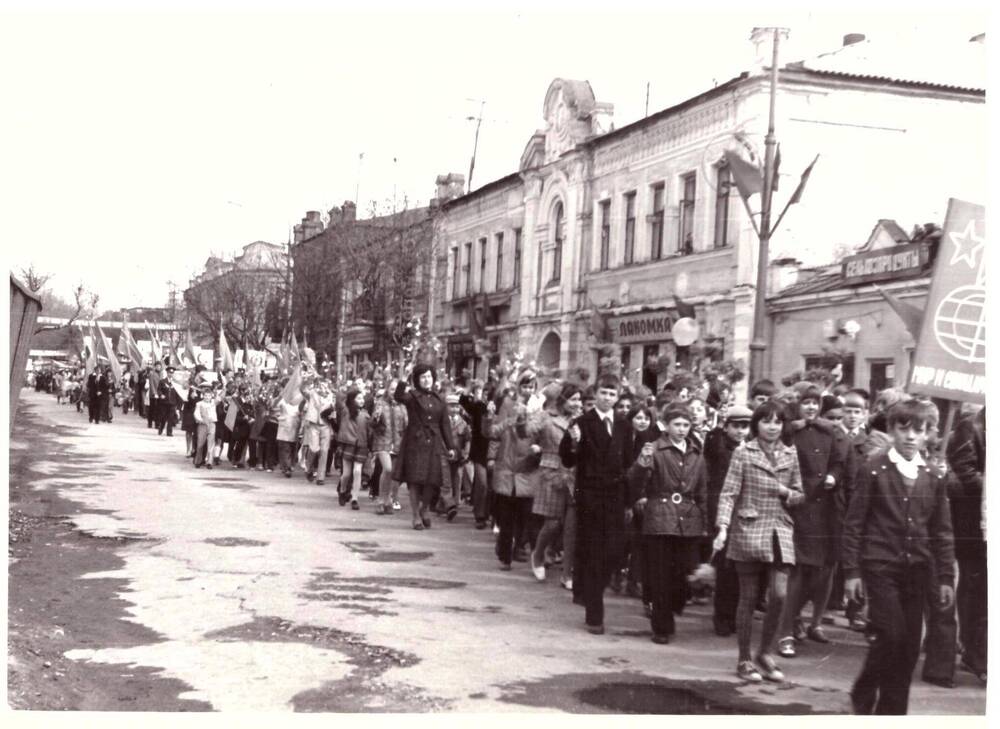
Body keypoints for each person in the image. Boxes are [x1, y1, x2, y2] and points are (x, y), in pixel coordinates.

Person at [842, 400, 956, 715]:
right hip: (880, 566)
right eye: (903, 429)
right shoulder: (874, 468)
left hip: (918, 568)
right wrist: (851, 572)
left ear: (928, 435)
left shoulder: (933, 474)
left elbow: (942, 530)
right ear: (891, 430)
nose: (910, 437)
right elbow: (854, 524)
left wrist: (946, 576)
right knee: (891, 633)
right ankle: (865, 687)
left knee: (908, 647)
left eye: (918, 431)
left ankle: (892, 713)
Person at [714, 401, 804, 683]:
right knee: (749, 598)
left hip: (779, 530)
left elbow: (800, 495)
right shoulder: (743, 452)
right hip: (748, 529)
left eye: (777, 422)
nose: (772, 427)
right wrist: (723, 527)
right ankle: (744, 658)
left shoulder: (790, 453)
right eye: (766, 421)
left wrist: (785, 491)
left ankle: (765, 652)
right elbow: (729, 493)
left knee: (779, 594)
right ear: (757, 424)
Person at [776, 385, 850, 658]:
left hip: (823, 510)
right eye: (806, 403)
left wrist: (833, 476)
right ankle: (784, 633)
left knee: (817, 574)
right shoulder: (789, 431)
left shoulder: (828, 432)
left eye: (814, 403)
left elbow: (839, 462)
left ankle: (794, 621)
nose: (810, 408)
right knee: (796, 573)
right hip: (798, 505)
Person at [560, 373, 634, 635]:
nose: (607, 398)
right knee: (593, 553)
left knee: (614, 551)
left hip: (615, 496)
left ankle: (588, 590)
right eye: (604, 392)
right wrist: (573, 441)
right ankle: (594, 614)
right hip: (590, 495)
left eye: (613, 394)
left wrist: (630, 499)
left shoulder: (625, 426)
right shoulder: (582, 422)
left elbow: (628, 462)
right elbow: (568, 460)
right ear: (596, 393)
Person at [628, 404, 708, 644]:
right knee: (661, 574)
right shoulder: (655, 450)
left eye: (686, 425)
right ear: (666, 426)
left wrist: (705, 522)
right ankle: (661, 627)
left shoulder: (697, 453)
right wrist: (642, 464)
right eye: (677, 425)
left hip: (689, 519)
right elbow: (635, 481)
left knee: (683, 573)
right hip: (660, 518)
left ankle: (673, 606)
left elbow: (703, 490)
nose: (682, 430)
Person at [703, 404, 752, 636]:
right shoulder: (719, 445)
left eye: (745, 426)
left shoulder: (752, 448)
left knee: (739, 568)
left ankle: (732, 615)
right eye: (736, 426)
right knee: (725, 567)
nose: (741, 431)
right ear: (726, 427)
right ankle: (722, 616)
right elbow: (712, 444)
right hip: (722, 510)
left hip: (745, 512)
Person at [946, 406, 986, 684]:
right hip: (975, 523)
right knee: (975, 587)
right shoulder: (971, 426)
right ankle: (974, 651)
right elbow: (964, 470)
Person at [392, 364, 456, 530]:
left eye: (429, 376)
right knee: (414, 480)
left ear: (433, 378)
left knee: (432, 480)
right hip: (415, 441)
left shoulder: (439, 399)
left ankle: (424, 508)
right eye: (422, 377)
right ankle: (415, 516)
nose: (426, 380)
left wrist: (451, 446)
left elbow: (445, 425)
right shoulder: (412, 396)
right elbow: (398, 396)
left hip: (433, 443)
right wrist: (404, 376)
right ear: (417, 380)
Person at [491, 371, 544, 568]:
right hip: (507, 466)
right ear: (518, 387)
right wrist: (507, 420)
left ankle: (518, 546)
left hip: (527, 468)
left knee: (524, 515)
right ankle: (505, 554)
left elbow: (540, 435)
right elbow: (494, 431)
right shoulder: (508, 404)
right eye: (525, 386)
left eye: (531, 387)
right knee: (506, 516)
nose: (528, 390)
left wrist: (538, 450)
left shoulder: (539, 410)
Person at [530, 382, 580, 582]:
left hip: (574, 473)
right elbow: (528, 431)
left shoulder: (581, 421)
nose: (577, 404)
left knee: (569, 524)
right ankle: (538, 554)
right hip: (551, 470)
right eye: (573, 399)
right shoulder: (546, 417)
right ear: (562, 399)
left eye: (579, 400)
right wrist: (534, 445)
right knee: (552, 522)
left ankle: (566, 569)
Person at [459, 380, 491, 529]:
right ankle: (480, 516)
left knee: (488, 485)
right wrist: (469, 387)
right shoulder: (479, 407)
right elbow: (463, 401)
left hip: (497, 453)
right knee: (482, 483)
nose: (487, 397)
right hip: (480, 452)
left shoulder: (502, 409)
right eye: (485, 393)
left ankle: (488, 512)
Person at [371, 383, 407, 514]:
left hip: (398, 442)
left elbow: (406, 424)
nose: (394, 392)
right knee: (387, 468)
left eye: (396, 389)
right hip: (383, 441)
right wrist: (376, 417)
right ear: (388, 390)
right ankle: (381, 500)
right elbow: (373, 423)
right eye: (392, 388)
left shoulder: (402, 406)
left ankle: (388, 501)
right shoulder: (380, 403)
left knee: (392, 474)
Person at [336, 388, 372, 510]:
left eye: (363, 398)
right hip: (348, 444)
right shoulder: (346, 411)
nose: (362, 400)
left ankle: (355, 498)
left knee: (357, 471)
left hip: (362, 446)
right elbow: (339, 400)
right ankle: (342, 490)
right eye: (359, 398)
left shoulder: (366, 414)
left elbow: (370, 432)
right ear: (352, 400)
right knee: (346, 474)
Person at [193, 384, 217, 469]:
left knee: (211, 443)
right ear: (203, 396)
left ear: (211, 396)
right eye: (205, 395)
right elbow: (196, 413)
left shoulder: (213, 403)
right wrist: (200, 420)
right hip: (202, 424)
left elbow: (220, 397)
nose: (207, 397)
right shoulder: (199, 404)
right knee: (200, 443)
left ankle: (209, 462)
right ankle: (198, 461)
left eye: (209, 396)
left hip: (212, 423)